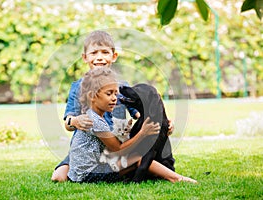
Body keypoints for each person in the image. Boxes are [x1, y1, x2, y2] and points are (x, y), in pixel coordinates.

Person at [51, 30, 174, 182]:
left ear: (113, 56)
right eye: (94, 53)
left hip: (116, 145)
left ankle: (161, 173)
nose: (99, 57)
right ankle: (115, 169)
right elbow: (68, 122)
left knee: (134, 159)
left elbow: (139, 113)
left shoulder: (121, 87)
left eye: (105, 52)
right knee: (59, 177)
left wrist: (163, 124)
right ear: (85, 57)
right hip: (89, 150)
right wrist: (75, 121)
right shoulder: (78, 87)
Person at [67, 67, 197, 183]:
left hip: (79, 173)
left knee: (132, 159)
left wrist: (163, 122)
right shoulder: (94, 121)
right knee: (139, 158)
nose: (114, 98)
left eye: (115, 93)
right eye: (109, 93)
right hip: (90, 174)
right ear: (92, 96)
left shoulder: (93, 116)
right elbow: (118, 149)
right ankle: (176, 178)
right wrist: (142, 133)